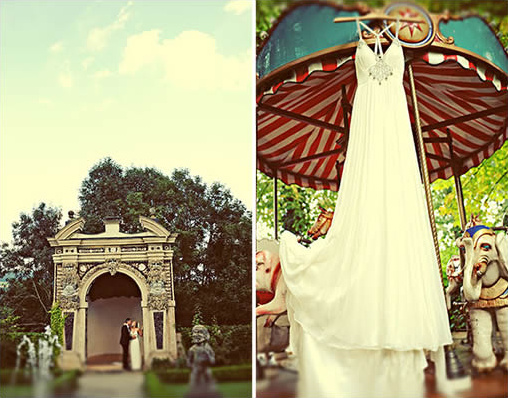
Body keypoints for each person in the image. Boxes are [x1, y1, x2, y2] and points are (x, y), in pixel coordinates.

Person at [279, 19, 452, 397]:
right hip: (369, 125)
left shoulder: (392, 43)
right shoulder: (362, 37)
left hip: (394, 128)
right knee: (368, 206)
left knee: (398, 211)